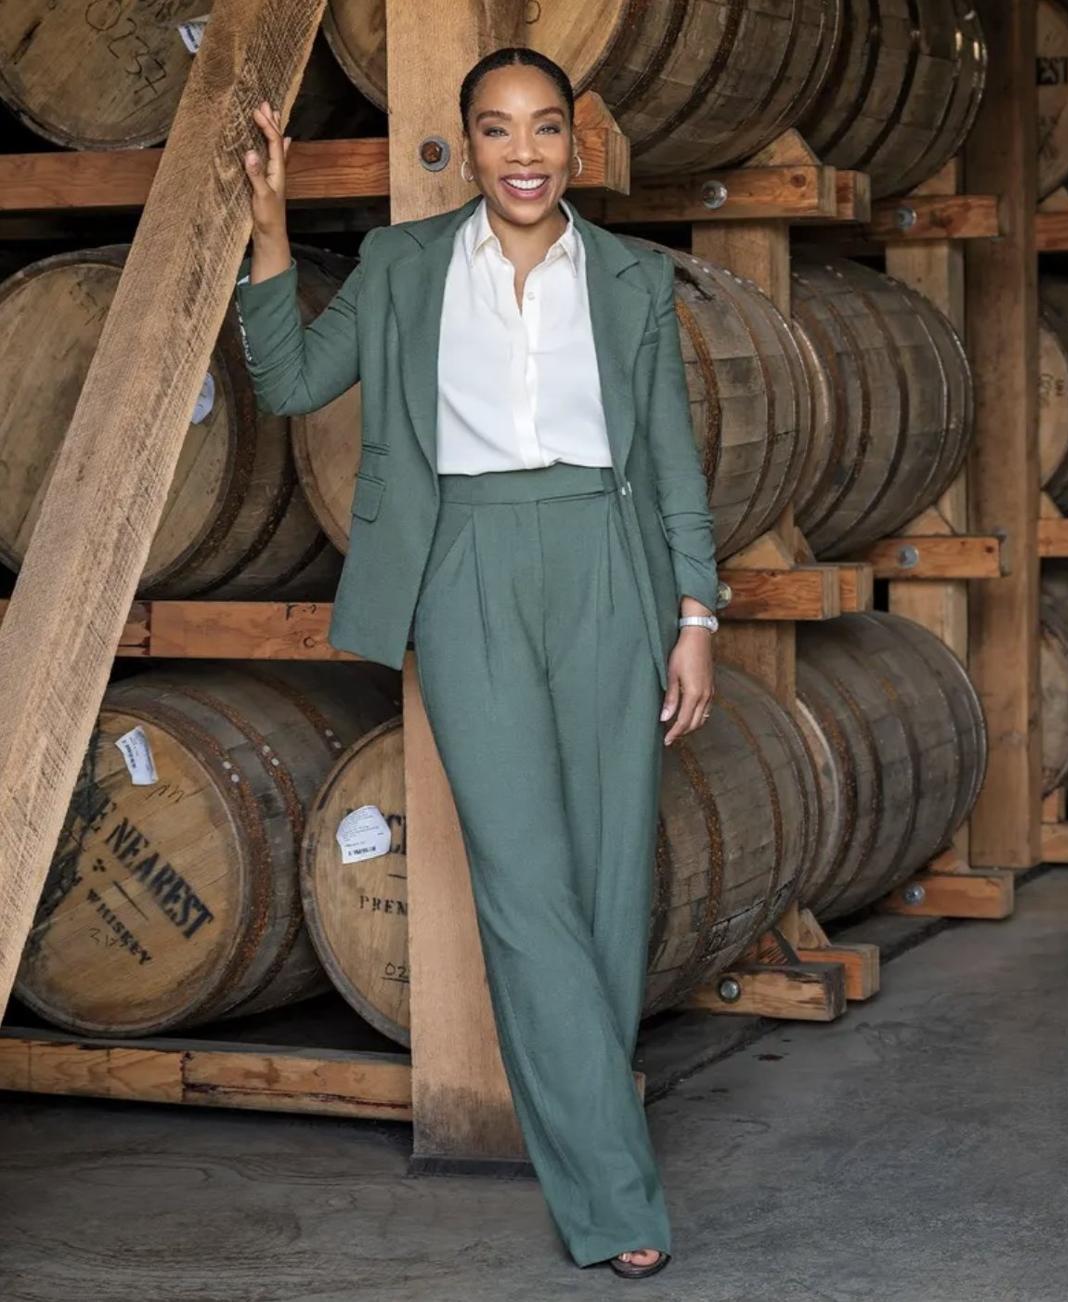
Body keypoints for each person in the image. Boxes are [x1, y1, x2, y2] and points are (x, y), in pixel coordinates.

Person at [236, 46, 717, 1281]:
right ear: (467, 144)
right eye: (497, 130)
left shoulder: (627, 276)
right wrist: (269, 225)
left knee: (613, 879)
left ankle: (592, 1122)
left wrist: (696, 617)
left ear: (574, 142)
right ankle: (617, 1195)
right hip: (463, 572)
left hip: (607, 564)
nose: (523, 153)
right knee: (521, 880)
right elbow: (290, 381)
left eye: (545, 129)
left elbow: (670, 462)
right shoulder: (404, 266)